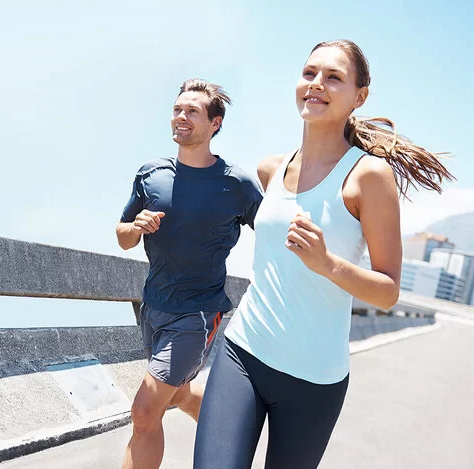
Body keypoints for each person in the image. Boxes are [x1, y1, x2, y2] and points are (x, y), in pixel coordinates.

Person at [193, 39, 454, 469]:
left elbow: (388, 291)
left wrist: (327, 263)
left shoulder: (369, 176)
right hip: (243, 352)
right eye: (310, 73)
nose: (317, 84)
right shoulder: (271, 169)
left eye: (334, 77)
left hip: (313, 380)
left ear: (359, 96)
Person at [116, 78, 263, 469]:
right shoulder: (152, 173)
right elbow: (122, 236)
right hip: (153, 307)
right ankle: (232, 437)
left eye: (192, 112)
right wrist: (136, 227)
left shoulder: (237, 184)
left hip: (198, 314)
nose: (181, 117)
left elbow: (273, 233)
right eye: (177, 110)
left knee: (145, 411)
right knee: (175, 395)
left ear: (215, 123)